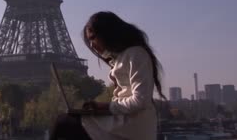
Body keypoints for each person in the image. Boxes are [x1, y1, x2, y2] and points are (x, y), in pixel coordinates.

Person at [49, 11, 165, 140]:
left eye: (93, 38)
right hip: (125, 120)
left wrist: (105, 107)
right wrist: (101, 108)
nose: (92, 45)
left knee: (63, 123)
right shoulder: (122, 57)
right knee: (66, 123)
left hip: (133, 124)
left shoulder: (136, 54)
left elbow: (140, 100)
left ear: (107, 33)